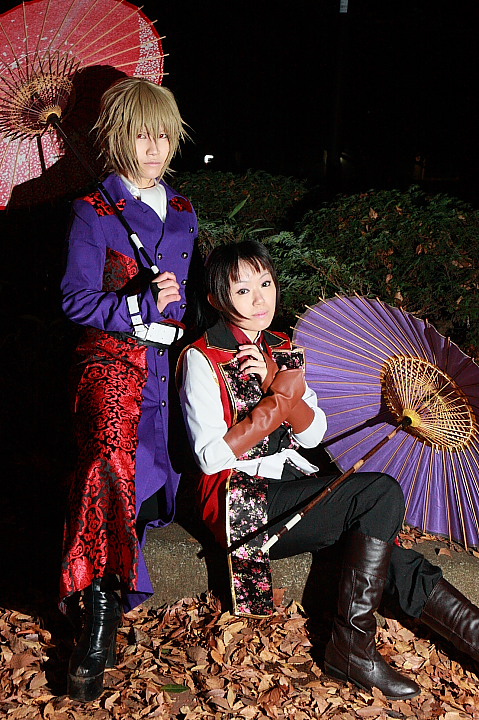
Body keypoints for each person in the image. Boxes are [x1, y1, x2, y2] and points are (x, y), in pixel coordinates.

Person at [178, 239, 479, 700]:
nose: (260, 299)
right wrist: (276, 402)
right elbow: (210, 456)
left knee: (391, 553)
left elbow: (314, 432)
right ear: (217, 299)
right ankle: (353, 646)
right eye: (242, 291)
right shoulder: (201, 358)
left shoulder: (283, 348)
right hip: (238, 502)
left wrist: (277, 385)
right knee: (379, 493)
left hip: (289, 484)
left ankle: (441, 643)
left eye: (266, 283)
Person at [60, 77, 201, 701]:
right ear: (119, 138)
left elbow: (188, 295)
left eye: (164, 136)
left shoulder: (185, 210)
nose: (154, 148)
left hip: (164, 368)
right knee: (105, 465)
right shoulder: (93, 210)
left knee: (148, 478)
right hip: (110, 364)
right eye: (142, 135)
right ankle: (96, 617)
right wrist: (136, 306)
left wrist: (183, 317)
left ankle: (114, 590)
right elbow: (75, 299)